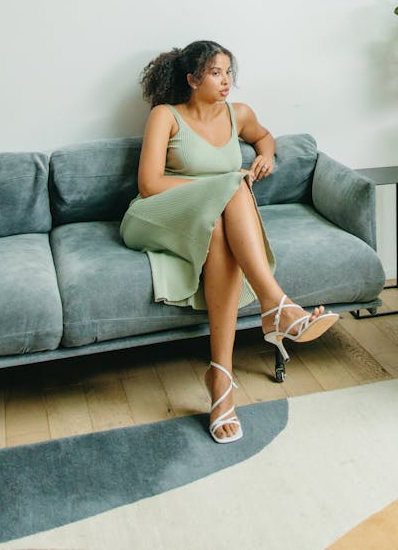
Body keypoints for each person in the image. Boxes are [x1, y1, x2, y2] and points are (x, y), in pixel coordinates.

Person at [120, 40, 338, 444]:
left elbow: (264, 136)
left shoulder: (239, 115)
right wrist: (216, 187)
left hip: (212, 220)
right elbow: (149, 185)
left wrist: (267, 154)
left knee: (222, 230)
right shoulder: (165, 116)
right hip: (158, 214)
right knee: (234, 185)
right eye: (215, 73)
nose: (225, 81)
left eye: (227, 72)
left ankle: (220, 379)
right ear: (191, 79)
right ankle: (276, 306)